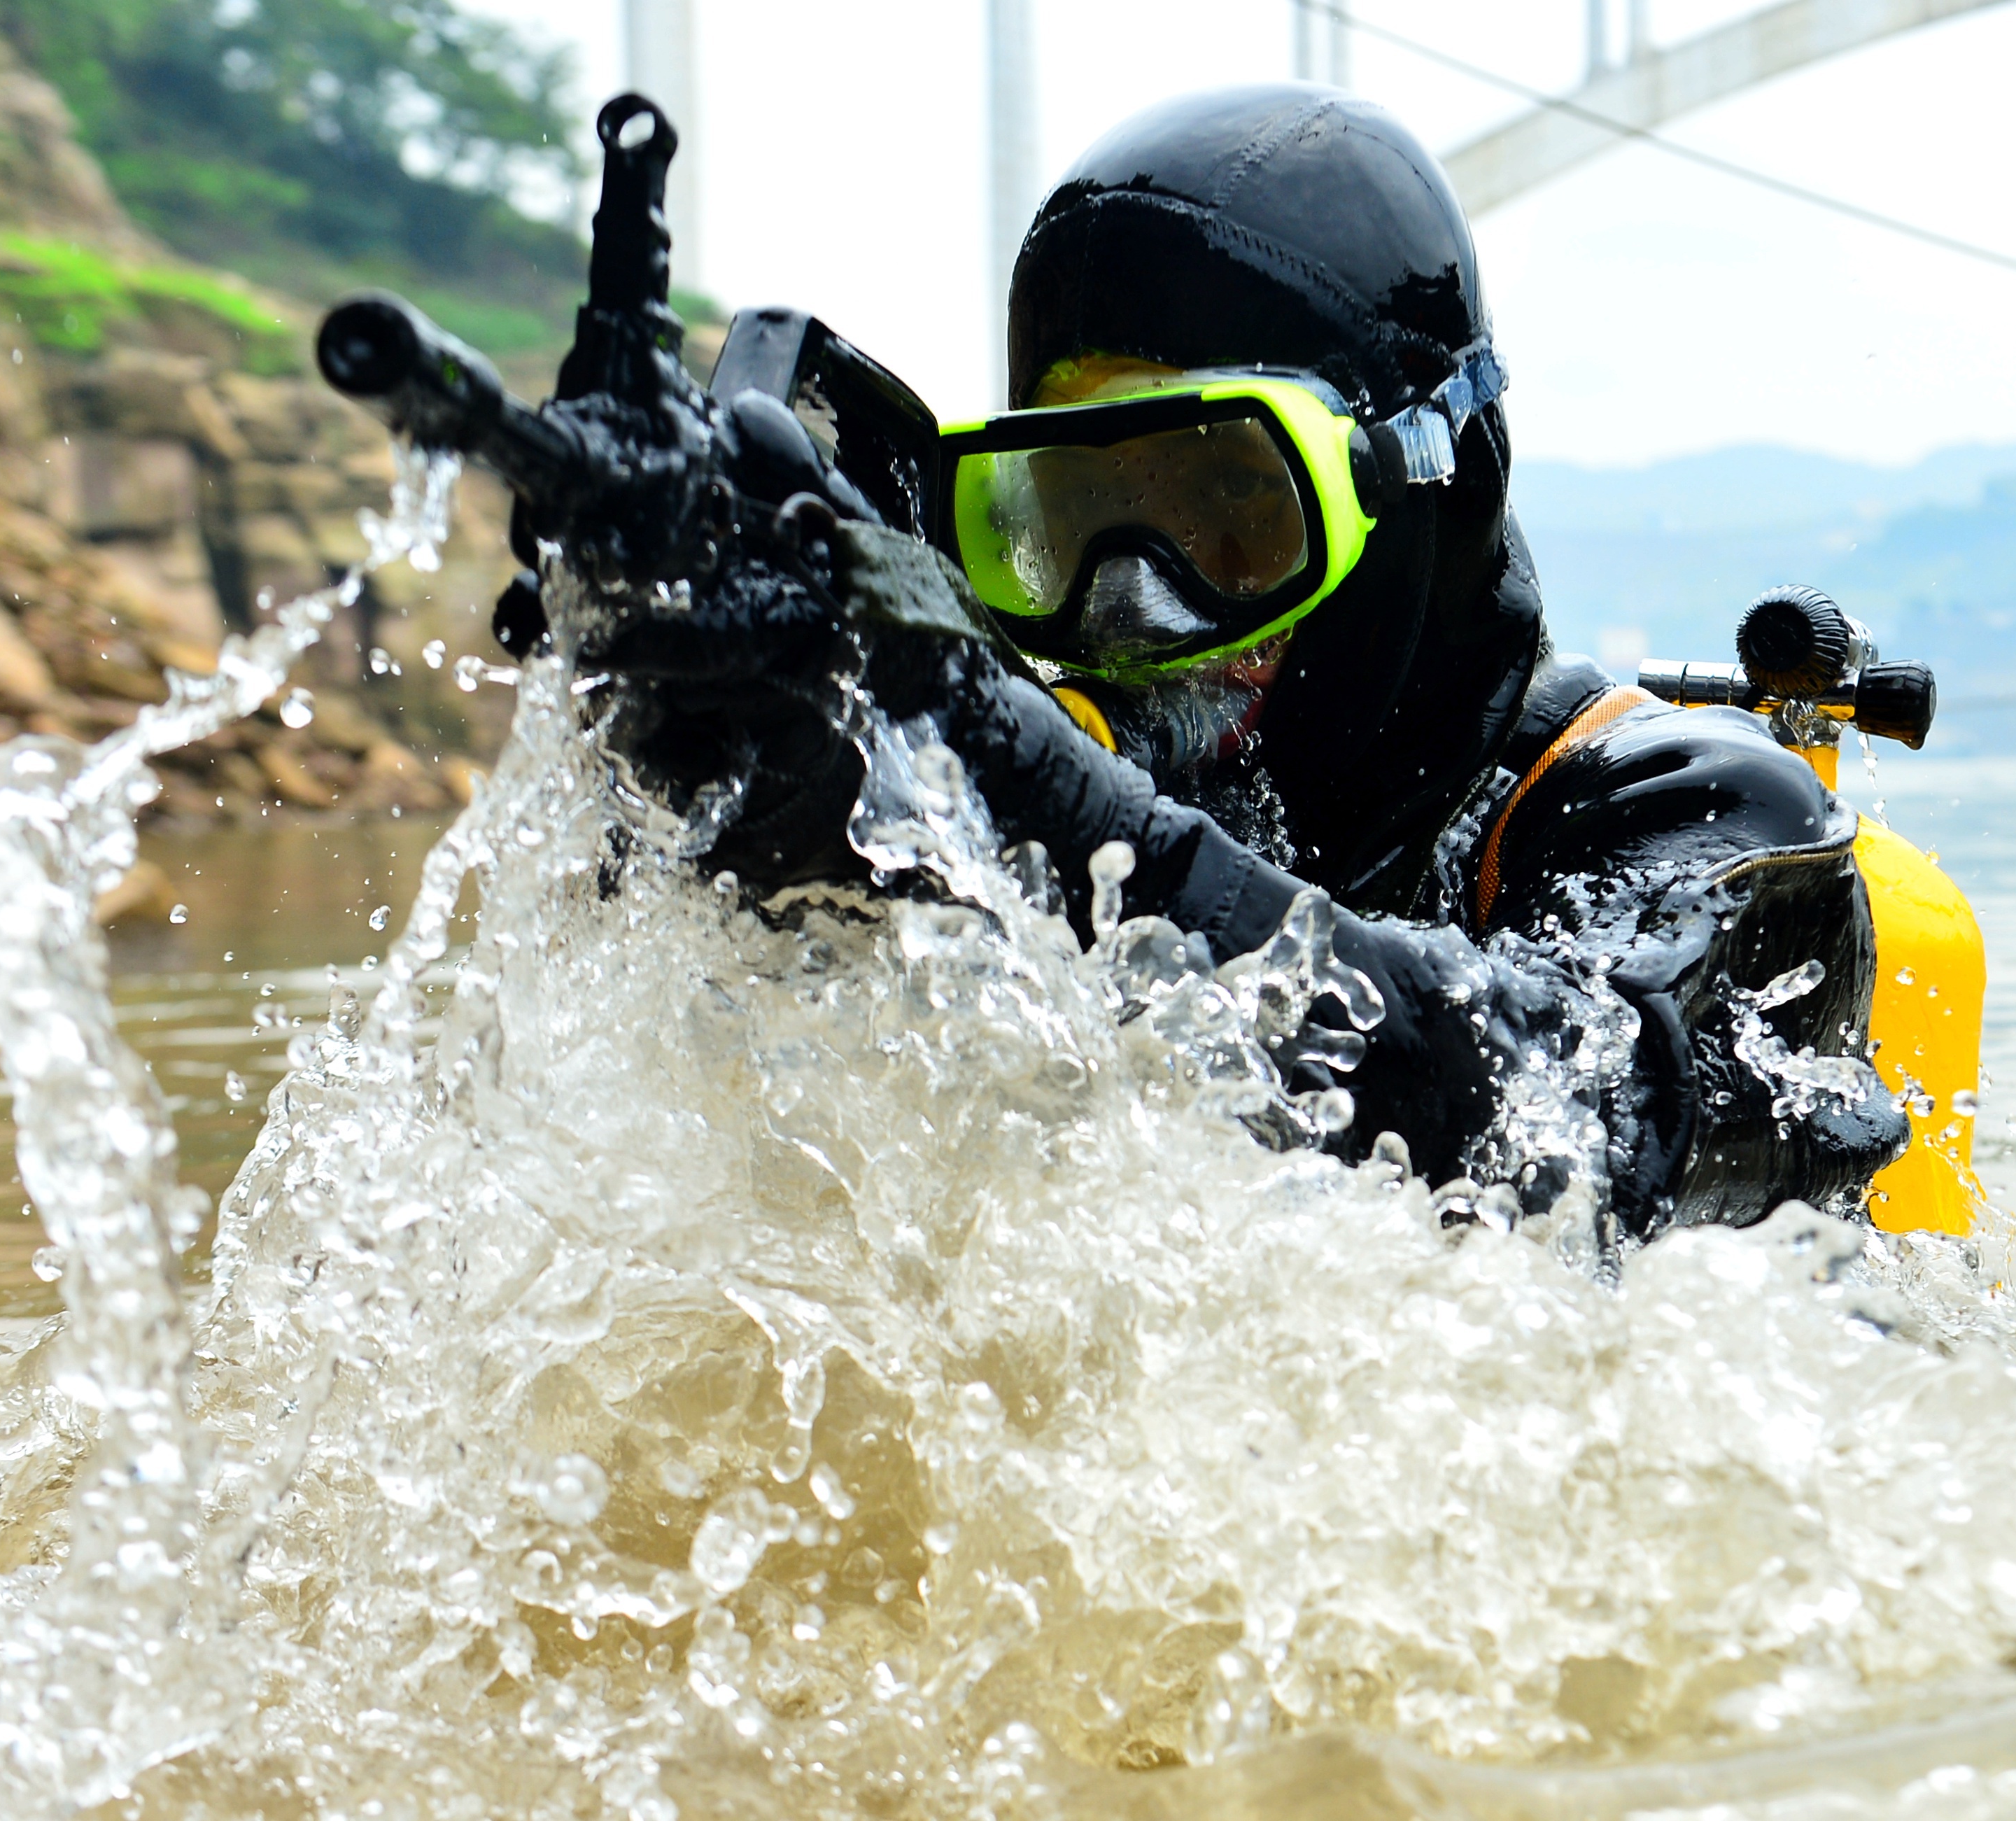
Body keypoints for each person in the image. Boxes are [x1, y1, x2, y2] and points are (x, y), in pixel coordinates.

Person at [544, 86, 1907, 1255]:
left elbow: (1574, 1128)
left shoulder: (1715, 819)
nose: (1137, 602)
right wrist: (702, 770)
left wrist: (1024, 778)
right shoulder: (1047, 808)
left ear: (1428, 492)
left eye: (1233, 511)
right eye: (1076, 519)